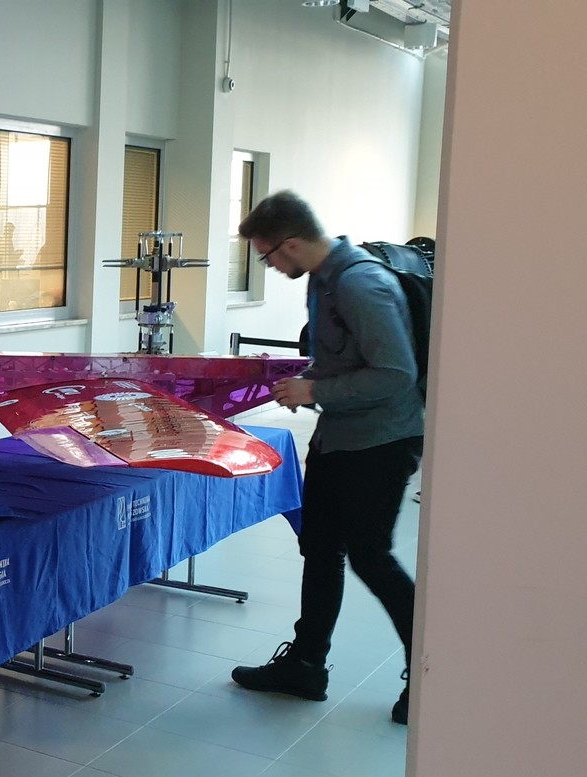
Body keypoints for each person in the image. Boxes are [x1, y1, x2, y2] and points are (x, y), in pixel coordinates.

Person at [230, 190, 424, 725]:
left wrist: (315, 391)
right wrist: (296, 379)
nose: (270, 266)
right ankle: (305, 665)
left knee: (370, 556)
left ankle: (432, 675)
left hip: (379, 442)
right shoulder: (321, 279)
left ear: (291, 243)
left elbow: (396, 374)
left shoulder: (361, 283)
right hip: (337, 438)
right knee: (319, 548)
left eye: (267, 256)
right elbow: (342, 359)